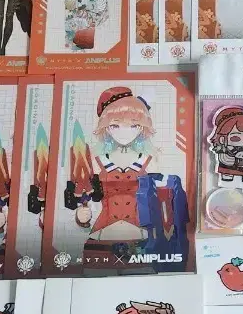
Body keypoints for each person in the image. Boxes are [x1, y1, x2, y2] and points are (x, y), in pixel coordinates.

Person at [64, 86, 189, 272]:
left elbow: (163, 201)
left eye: (133, 125)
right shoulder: (95, 161)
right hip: (101, 237)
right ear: (106, 127)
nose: (124, 132)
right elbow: (85, 201)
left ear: (142, 127)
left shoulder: (150, 161)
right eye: (115, 125)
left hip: (141, 240)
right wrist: (81, 217)